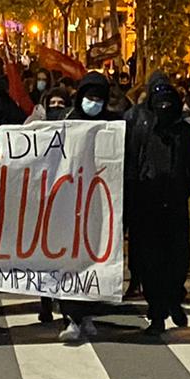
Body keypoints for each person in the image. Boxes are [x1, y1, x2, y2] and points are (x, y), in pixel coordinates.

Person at [125, 70, 190, 338]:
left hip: (176, 205)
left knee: (178, 259)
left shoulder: (184, 132)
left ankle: (173, 298)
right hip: (147, 206)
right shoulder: (139, 128)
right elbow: (130, 166)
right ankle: (157, 313)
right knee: (151, 263)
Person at [59, 72, 113, 343]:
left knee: (95, 259)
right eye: (89, 98)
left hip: (99, 203)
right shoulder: (66, 123)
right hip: (69, 202)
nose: (94, 103)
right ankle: (71, 316)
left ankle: (89, 314)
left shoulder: (114, 124)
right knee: (69, 260)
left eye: (99, 98)